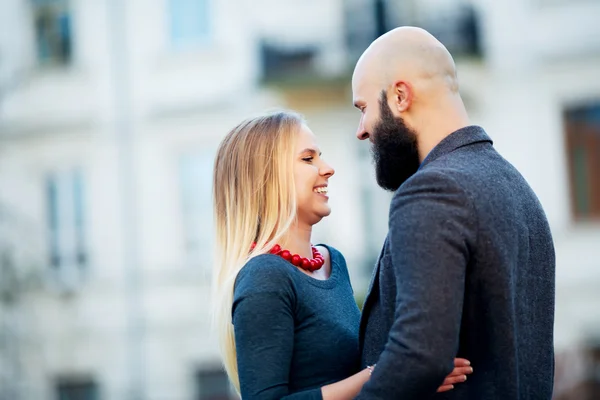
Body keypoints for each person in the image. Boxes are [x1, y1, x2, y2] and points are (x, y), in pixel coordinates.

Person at [352, 26, 556, 399]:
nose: (361, 131)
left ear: (400, 96)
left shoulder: (432, 191)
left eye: (363, 108)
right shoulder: (517, 187)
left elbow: (420, 353)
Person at [211, 111, 472, 399]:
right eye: (308, 159)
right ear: (266, 176)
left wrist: (413, 376)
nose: (328, 168)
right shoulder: (265, 277)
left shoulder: (333, 262)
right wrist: (389, 373)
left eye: (320, 156)